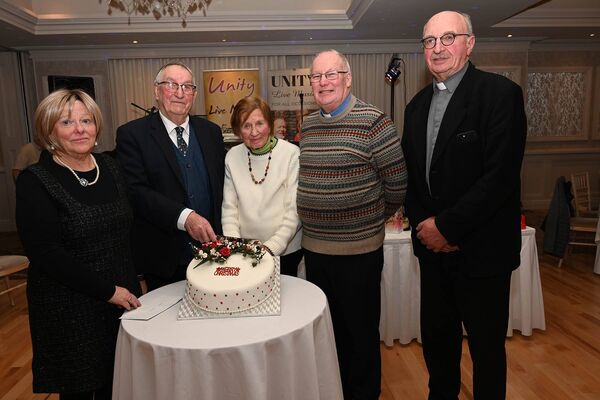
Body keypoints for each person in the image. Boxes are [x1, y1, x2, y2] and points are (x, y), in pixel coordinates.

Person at [401, 11, 527, 400]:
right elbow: (413, 179)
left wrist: (448, 228)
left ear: (470, 44)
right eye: (429, 41)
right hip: (434, 256)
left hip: (482, 255)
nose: (437, 49)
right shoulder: (416, 105)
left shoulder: (500, 95)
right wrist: (426, 228)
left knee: (487, 354)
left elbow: (499, 179)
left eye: (448, 38)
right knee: (438, 350)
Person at [15, 89, 141, 400]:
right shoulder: (37, 180)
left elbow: (127, 231)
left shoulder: (110, 168)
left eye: (86, 120)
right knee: (82, 390)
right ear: (49, 130)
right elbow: (46, 254)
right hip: (69, 307)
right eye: (67, 122)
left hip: (121, 299)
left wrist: (134, 281)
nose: (80, 129)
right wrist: (108, 291)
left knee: (119, 384)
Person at [298, 49, 407, 400]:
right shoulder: (309, 124)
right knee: (329, 334)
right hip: (315, 251)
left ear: (348, 78)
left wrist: (371, 218)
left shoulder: (375, 122)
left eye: (331, 75)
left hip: (359, 253)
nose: (323, 82)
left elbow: (397, 184)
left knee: (360, 337)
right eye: (316, 77)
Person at [116, 62, 225, 291]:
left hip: (212, 252)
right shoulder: (132, 135)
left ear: (194, 94)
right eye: (171, 85)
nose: (179, 93)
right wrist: (185, 217)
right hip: (164, 258)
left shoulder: (211, 132)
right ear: (156, 91)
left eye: (187, 86)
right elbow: (136, 192)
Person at [222, 96, 302, 276]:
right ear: (238, 130)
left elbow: (294, 212)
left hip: (285, 252)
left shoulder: (291, 154)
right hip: (245, 253)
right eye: (246, 125)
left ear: (270, 124)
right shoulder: (232, 156)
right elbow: (229, 209)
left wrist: (270, 248)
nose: (254, 132)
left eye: (259, 123)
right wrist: (235, 247)